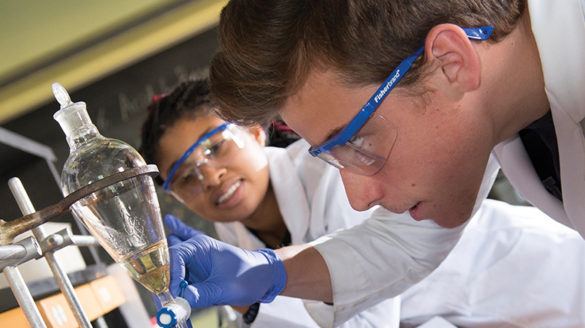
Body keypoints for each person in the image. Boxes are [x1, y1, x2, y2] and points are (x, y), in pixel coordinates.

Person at [164, 0, 585, 326]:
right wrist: (269, 272)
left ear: (450, 62)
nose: (359, 198)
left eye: (357, 140)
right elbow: (402, 242)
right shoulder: (499, 103)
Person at [140, 78, 402, 327]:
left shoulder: (331, 175)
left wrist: (248, 303)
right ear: (178, 198)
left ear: (254, 132)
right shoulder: (230, 232)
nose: (209, 177)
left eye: (216, 147)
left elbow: (373, 321)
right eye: (185, 176)